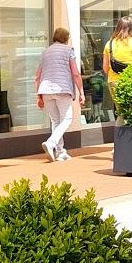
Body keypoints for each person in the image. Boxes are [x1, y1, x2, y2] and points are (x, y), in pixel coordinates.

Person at [34, 27, 84, 162]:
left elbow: (37, 76)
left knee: (55, 121)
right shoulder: (69, 50)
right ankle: (51, 143)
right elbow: (75, 73)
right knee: (67, 119)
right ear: (66, 38)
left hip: (46, 90)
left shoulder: (45, 52)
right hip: (62, 89)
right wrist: (81, 92)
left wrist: (39, 96)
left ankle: (60, 152)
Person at [103, 16, 132, 114]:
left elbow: (105, 68)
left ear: (118, 27)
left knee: (120, 111)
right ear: (131, 28)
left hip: (113, 81)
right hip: (129, 81)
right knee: (129, 113)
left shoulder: (109, 43)